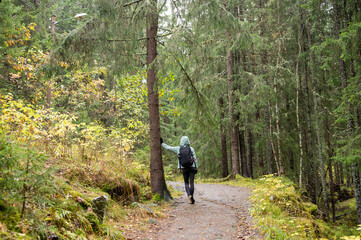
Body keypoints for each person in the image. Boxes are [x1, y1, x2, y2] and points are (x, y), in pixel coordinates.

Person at [161, 136, 198, 204]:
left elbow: (169, 148)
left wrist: (162, 143)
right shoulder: (191, 149)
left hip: (184, 168)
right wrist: (196, 167)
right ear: (188, 141)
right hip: (192, 167)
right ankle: (192, 196)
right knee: (191, 182)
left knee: (186, 182)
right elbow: (195, 159)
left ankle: (189, 195)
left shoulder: (178, 149)